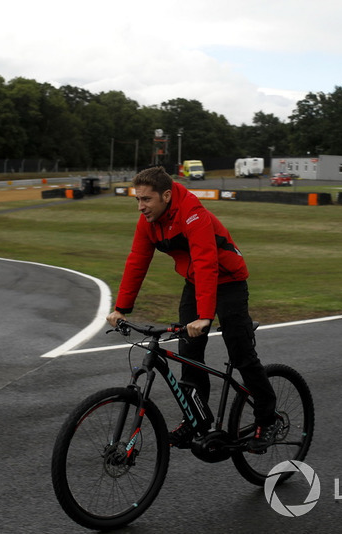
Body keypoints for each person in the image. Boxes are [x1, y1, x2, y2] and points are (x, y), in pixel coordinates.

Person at [106, 166, 279, 451]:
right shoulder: (148, 222)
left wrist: (205, 316)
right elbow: (137, 260)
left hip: (228, 280)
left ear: (165, 196)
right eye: (137, 200)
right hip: (195, 282)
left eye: (146, 200)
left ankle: (268, 418)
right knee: (189, 354)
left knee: (240, 353)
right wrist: (122, 308)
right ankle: (197, 419)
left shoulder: (192, 211)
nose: (140, 206)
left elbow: (206, 261)